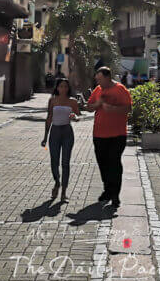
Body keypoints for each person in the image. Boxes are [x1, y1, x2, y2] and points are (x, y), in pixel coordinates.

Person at [85, 66, 132, 208]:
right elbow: (88, 107)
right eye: (96, 79)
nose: (97, 82)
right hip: (99, 134)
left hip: (117, 134)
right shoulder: (98, 90)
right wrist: (97, 104)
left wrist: (113, 109)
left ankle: (115, 195)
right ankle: (107, 189)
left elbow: (128, 108)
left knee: (114, 164)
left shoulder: (120, 89)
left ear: (107, 77)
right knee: (103, 164)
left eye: (99, 79)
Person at [42, 78, 80, 201]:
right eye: (61, 86)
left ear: (68, 88)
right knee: (54, 161)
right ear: (57, 88)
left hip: (67, 133)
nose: (63, 89)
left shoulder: (72, 101)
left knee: (65, 163)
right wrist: (45, 137)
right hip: (55, 132)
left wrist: (74, 117)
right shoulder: (52, 100)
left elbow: (77, 115)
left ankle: (63, 191)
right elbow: (49, 118)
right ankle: (57, 182)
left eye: (65, 87)